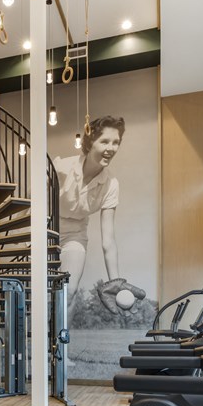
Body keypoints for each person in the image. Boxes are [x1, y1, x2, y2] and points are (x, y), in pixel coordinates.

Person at [54, 115, 145, 314]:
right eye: (104, 141)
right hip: (45, 228)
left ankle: (60, 345)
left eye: (116, 142)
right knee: (37, 292)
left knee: (68, 292)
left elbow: (109, 241)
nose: (111, 148)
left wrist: (115, 281)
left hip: (75, 234)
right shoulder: (61, 168)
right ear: (90, 142)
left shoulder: (111, 185)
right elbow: (33, 201)